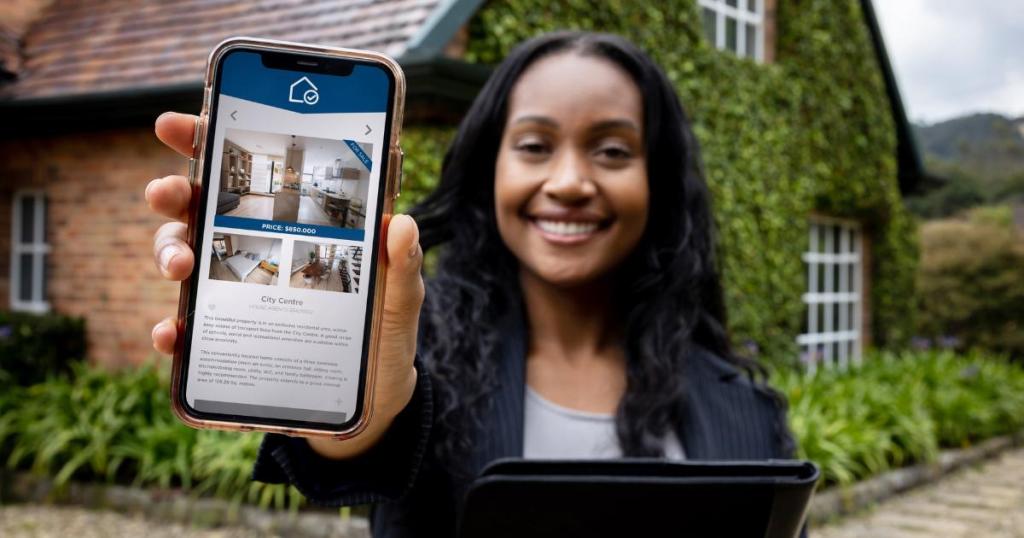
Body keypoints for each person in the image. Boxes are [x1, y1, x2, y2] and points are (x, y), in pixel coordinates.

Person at [147, 31, 797, 537]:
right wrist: (349, 409)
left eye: (613, 151)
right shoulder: (418, 363)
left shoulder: (749, 412)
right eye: (535, 146)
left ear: (659, 182)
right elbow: (360, 446)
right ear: (489, 171)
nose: (570, 181)